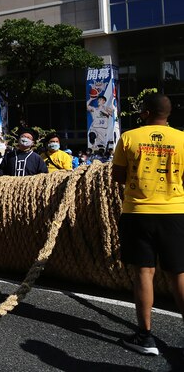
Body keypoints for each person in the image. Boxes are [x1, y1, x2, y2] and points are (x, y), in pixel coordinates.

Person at [111, 93, 184, 356]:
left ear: (145, 112)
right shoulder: (182, 139)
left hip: (138, 212)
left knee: (144, 272)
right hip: (175, 212)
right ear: (168, 114)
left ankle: (145, 337)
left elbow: (118, 176)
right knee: (179, 273)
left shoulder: (130, 136)